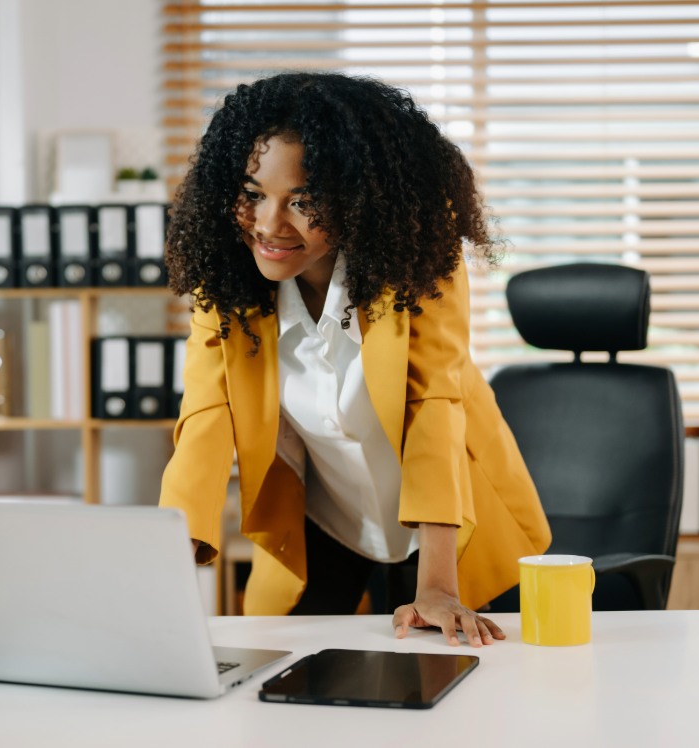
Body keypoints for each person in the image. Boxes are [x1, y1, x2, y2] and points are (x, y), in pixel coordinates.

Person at [158, 72, 551, 647]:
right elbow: (206, 417)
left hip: (448, 533)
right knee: (278, 685)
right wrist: (167, 570)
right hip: (327, 522)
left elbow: (431, 406)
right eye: (252, 194)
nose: (269, 224)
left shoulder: (415, 260)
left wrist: (438, 585)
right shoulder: (227, 280)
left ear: (359, 198)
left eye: (304, 200)